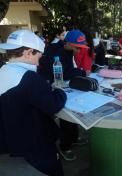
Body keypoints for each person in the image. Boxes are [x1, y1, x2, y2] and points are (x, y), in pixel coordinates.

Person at [0, 29, 66, 176]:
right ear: (28, 53)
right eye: (38, 57)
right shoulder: (29, 78)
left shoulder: (3, 70)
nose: (38, 62)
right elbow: (53, 105)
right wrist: (60, 91)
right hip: (34, 143)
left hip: (12, 141)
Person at [38, 29, 87, 162]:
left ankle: (74, 138)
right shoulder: (54, 51)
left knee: (74, 108)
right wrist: (81, 72)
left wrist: (78, 72)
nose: (79, 50)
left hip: (63, 83)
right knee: (66, 112)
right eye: (78, 47)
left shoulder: (68, 50)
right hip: (51, 85)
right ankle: (64, 146)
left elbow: (69, 70)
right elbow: (61, 73)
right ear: (69, 43)